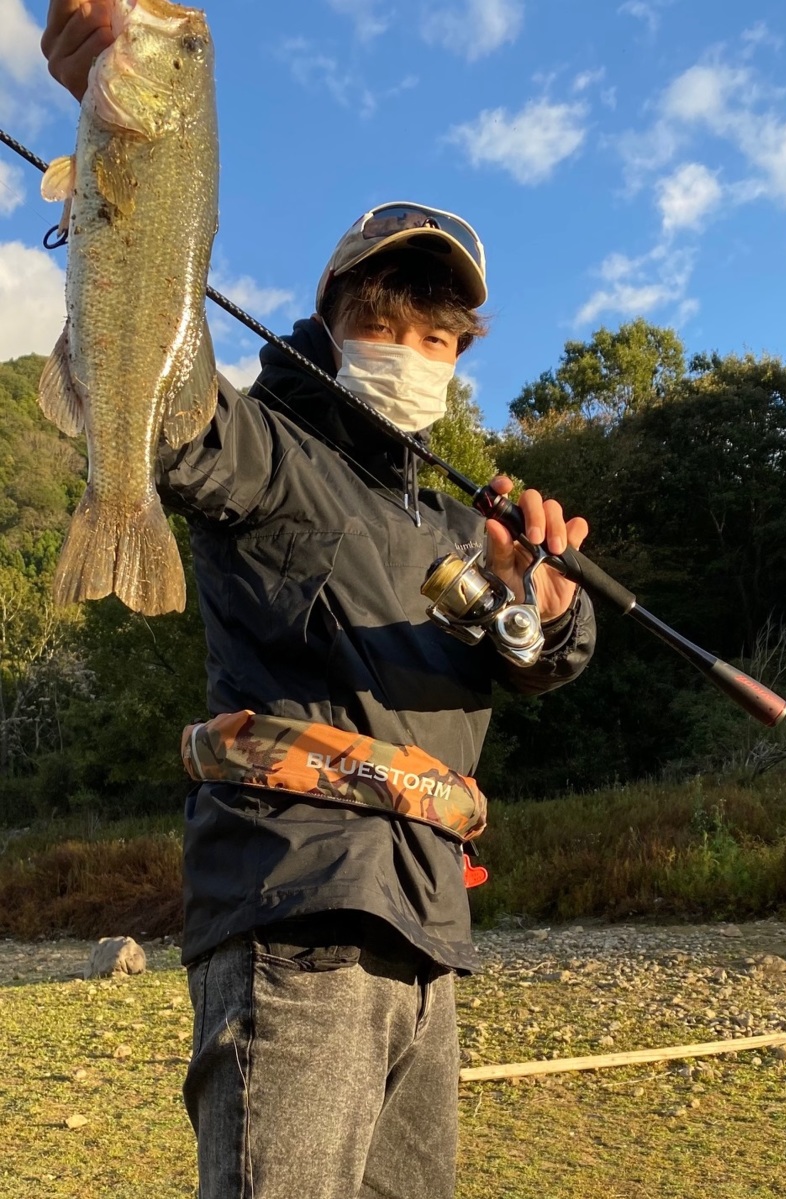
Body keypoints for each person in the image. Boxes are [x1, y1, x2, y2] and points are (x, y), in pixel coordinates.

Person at [43, 6, 597, 1197]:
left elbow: (547, 656)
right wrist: (128, 162)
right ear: (334, 315)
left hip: (428, 935)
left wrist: (534, 598)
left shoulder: (457, 518)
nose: (414, 347)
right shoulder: (274, 447)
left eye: (440, 333)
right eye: (385, 320)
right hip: (294, 913)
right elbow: (176, 412)